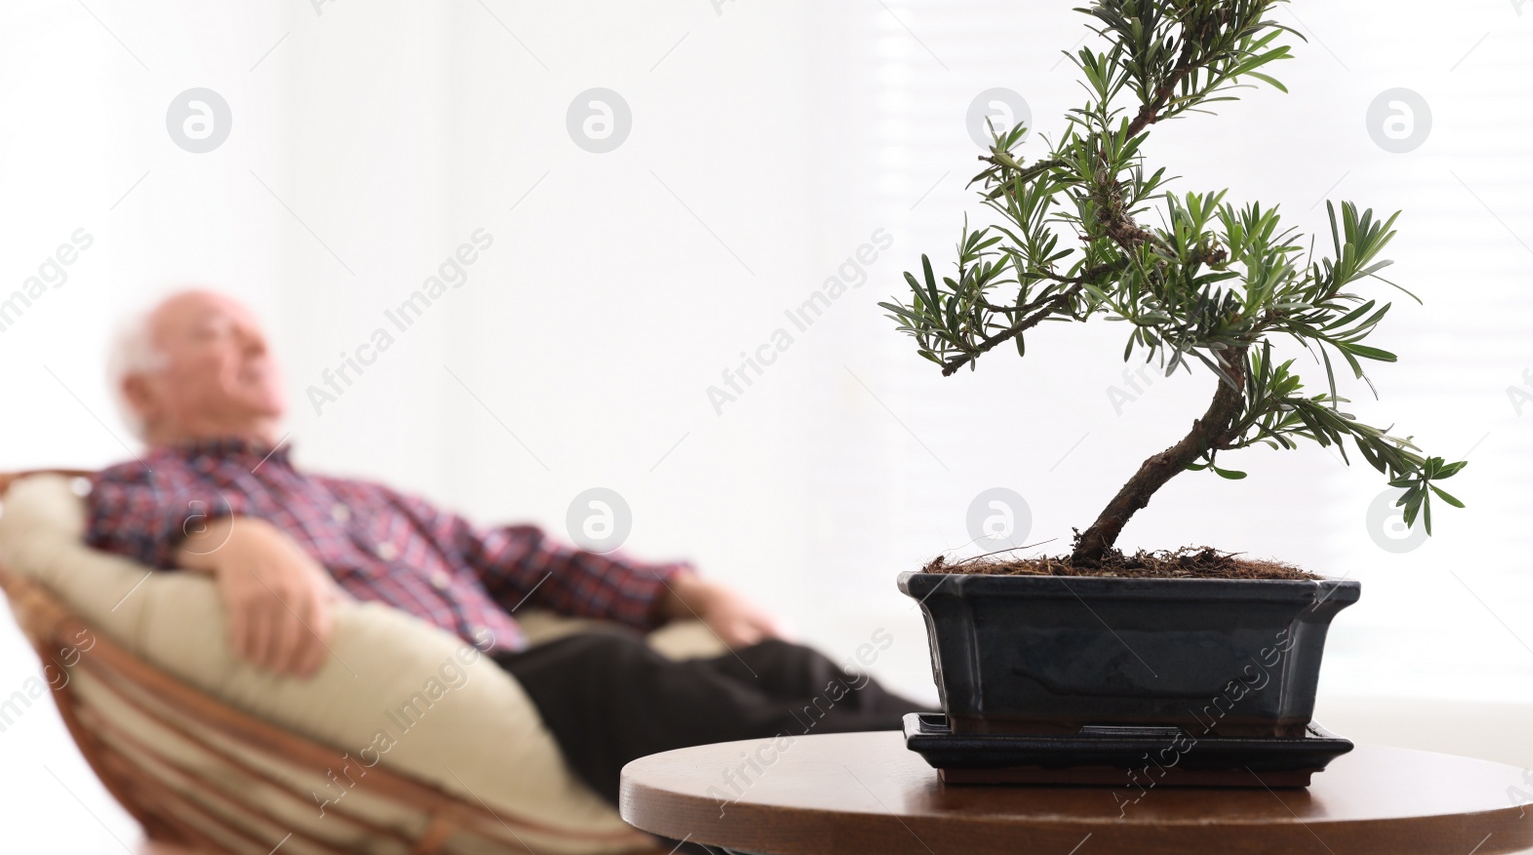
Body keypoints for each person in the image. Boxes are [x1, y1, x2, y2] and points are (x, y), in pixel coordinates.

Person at [85, 290, 924, 804]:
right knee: (604, 664)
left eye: (256, 330)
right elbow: (117, 508)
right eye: (215, 332)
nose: (258, 346)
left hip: (520, 659)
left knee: (782, 664)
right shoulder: (150, 483)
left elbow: (521, 558)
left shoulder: (360, 497)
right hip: (476, 683)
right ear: (141, 388)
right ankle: (866, 793)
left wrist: (684, 591)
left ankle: (960, 743)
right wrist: (232, 536)